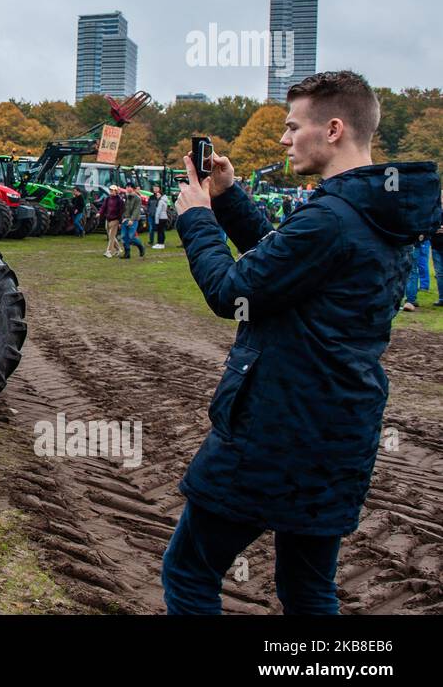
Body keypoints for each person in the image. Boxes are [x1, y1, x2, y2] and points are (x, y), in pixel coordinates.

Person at [163, 71, 440, 614]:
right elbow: (285, 261)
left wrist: (196, 217)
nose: (284, 139)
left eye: (293, 127)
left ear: (333, 129)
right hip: (340, 431)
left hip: (277, 425)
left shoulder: (334, 219)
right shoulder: (377, 212)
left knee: (190, 572)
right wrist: (228, 198)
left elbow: (234, 290)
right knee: (308, 590)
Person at [400, 237, 431, 313]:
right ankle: (410, 300)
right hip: (412, 243)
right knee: (412, 271)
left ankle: (408, 299)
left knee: (409, 271)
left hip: (409, 243)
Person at [120, 184, 145, 259]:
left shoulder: (137, 198)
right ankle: (127, 254)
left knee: (131, 237)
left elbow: (136, 210)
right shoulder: (125, 197)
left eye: (129, 187)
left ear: (133, 188)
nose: (127, 188)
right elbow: (123, 209)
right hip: (125, 219)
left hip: (133, 220)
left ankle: (141, 246)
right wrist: (122, 219)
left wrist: (131, 219)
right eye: (126, 187)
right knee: (124, 237)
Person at [99, 185, 124, 258]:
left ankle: (109, 251)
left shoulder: (120, 200)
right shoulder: (107, 199)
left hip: (115, 220)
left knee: (111, 236)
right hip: (108, 219)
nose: (111, 191)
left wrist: (120, 221)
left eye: (112, 190)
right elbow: (103, 207)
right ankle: (119, 249)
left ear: (116, 191)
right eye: (110, 190)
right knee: (111, 236)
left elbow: (121, 211)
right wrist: (99, 213)